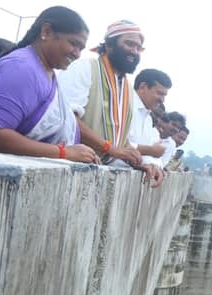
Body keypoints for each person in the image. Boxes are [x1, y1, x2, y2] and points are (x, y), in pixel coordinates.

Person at [0, 6, 99, 163]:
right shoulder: (20, 68)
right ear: (46, 32)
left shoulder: (46, 72)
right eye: (73, 43)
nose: (77, 53)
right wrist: (63, 152)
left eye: (81, 48)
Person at [58, 20, 163, 186]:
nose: (134, 51)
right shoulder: (84, 68)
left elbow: (119, 137)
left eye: (138, 47)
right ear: (109, 44)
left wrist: (136, 160)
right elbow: (68, 118)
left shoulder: (127, 86)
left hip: (103, 174)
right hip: (73, 169)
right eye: (129, 44)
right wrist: (112, 149)